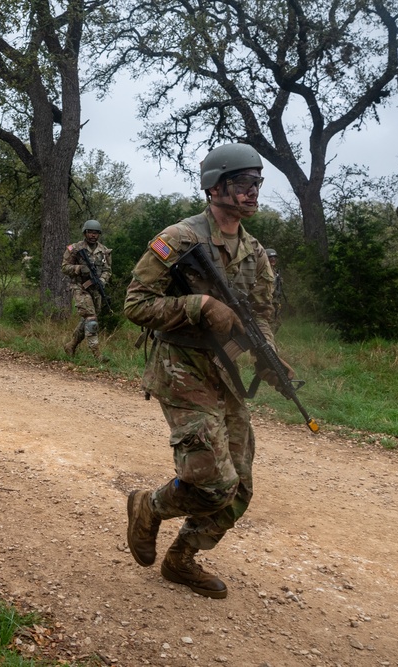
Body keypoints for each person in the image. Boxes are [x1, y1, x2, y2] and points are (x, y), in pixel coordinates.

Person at [123, 143, 290, 599]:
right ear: (215, 187)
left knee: (239, 484)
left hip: (225, 369)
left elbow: (259, 315)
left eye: (257, 183)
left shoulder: (253, 251)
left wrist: (269, 356)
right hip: (181, 366)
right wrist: (198, 304)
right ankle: (149, 507)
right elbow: (135, 304)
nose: (253, 192)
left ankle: (181, 560)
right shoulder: (179, 239)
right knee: (210, 479)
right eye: (243, 184)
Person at [61, 219, 112, 360]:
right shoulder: (75, 249)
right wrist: (79, 268)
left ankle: (71, 345)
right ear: (85, 233)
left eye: (96, 233)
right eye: (90, 232)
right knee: (91, 319)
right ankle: (97, 355)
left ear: (99, 234)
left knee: (88, 320)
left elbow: (108, 270)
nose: (92, 235)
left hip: (96, 289)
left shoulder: (104, 251)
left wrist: (101, 280)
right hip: (79, 287)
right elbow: (64, 267)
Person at [265, 248, 286, 332]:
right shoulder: (264, 271)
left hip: (275, 301)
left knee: (277, 322)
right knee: (269, 322)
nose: (273, 260)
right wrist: (273, 291)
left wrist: (280, 282)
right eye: (270, 258)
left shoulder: (275, 272)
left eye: (274, 258)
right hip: (267, 301)